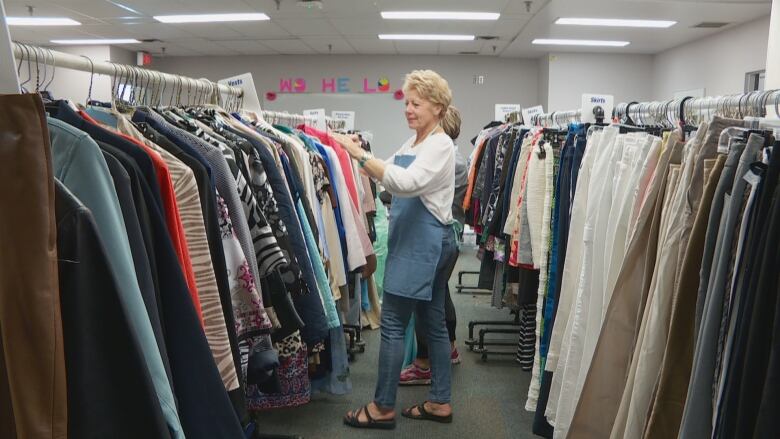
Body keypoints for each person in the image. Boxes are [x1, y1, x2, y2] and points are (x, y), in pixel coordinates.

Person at [336, 70, 457, 429]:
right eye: (406, 102)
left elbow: (405, 183)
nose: (408, 109)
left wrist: (357, 154)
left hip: (424, 244)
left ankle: (382, 407)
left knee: (392, 324)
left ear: (437, 107)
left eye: (416, 103)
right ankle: (439, 402)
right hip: (424, 243)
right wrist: (362, 154)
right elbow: (387, 170)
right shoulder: (415, 143)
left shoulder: (439, 144)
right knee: (431, 322)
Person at [400, 106, 466, 386]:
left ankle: (426, 362)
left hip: (437, 235)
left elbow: (416, 190)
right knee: (438, 295)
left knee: (423, 300)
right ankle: (447, 348)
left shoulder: (448, 158)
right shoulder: (452, 155)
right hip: (444, 233)